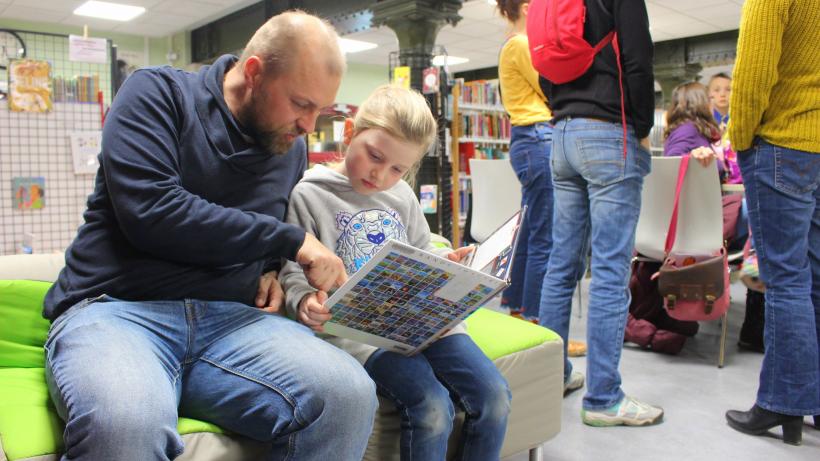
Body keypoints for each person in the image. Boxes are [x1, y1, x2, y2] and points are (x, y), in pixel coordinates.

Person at [41, 11, 378, 460]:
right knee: (125, 423)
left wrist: (271, 270)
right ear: (254, 72)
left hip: (231, 323)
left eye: (322, 110)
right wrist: (289, 241)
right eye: (301, 104)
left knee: (348, 395)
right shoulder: (157, 93)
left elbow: (254, 233)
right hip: (117, 311)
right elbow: (153, 212)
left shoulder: (289, 148)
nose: (309, 127)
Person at [279, 85, 512, 460]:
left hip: (424, 324)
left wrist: (449, 260)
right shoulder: (309, 194)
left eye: (398, 168)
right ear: (349, 132)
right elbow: (291, 269)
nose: (381, 175)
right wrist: (304, 299)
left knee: (496, 396)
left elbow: (423, 248)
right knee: (433, 407)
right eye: (374, 156)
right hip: (361, 336)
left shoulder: (401, 194)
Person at [537, 0, 663, 426]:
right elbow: (638, 60)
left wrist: (565, 108)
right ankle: (604, 398)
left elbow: (545, 67)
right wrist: (641, 126)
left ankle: (551, 378)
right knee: (609, 270)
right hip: (611, 132)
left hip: (563, 134)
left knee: (562, 266)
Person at [725, 0, 820, 445]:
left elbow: (752, 76)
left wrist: (741, 141)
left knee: (785, 280)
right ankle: (813, 401)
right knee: (813, 279)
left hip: (782, 144)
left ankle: (783, 401)